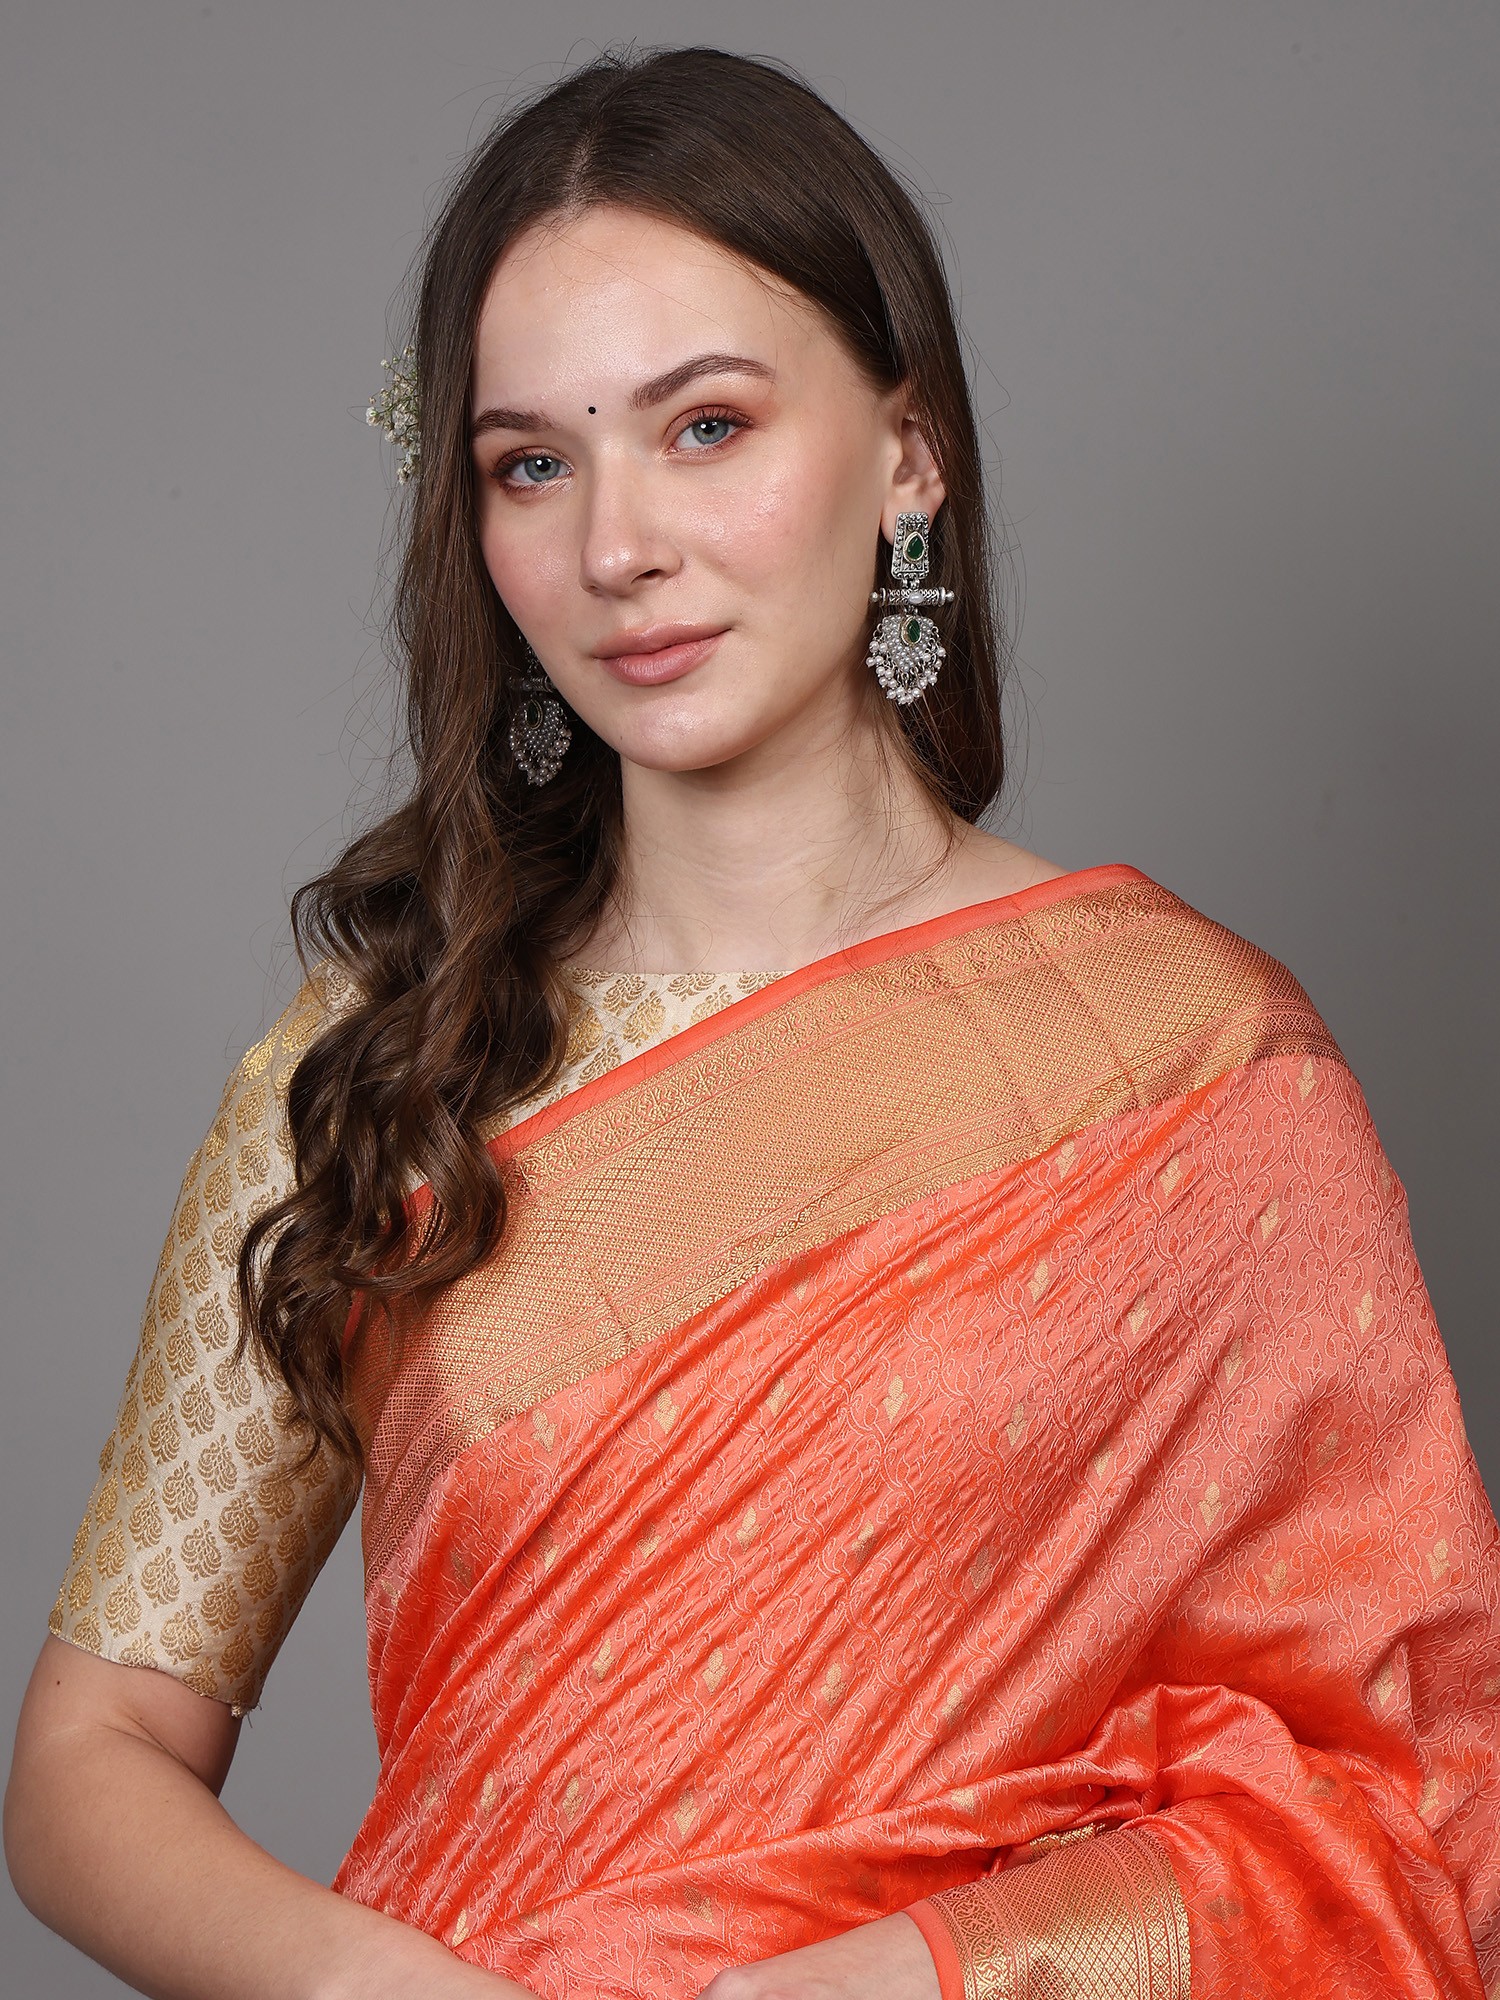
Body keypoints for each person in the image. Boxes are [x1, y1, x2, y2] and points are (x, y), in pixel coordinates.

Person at [6, 43, 1498, 2000]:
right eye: (533, 463)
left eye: (705, 427)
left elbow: (1400, 1801)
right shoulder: (380, 1062)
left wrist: (911, 1977)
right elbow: (89, 1760)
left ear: (908, 451)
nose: (616, 545)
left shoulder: (1187, 1063)